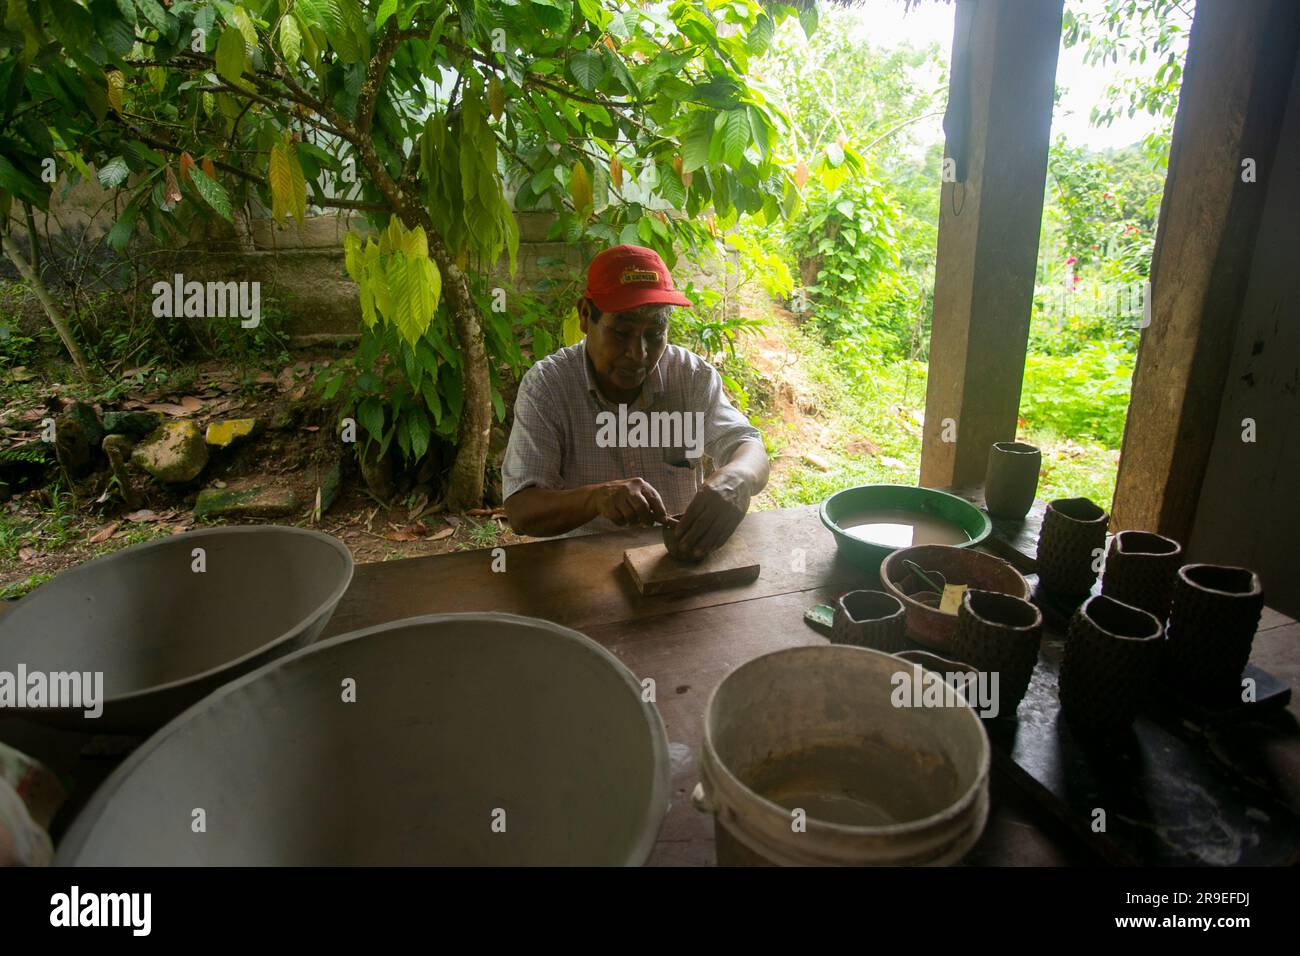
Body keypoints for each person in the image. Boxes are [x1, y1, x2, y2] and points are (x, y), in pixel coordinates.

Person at [503, 244, 769, 559]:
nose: (639, 354)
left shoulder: (691, 377)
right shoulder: (548, 387)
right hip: (583, 569)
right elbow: (521, 510)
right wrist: (597, 499)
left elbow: (749, 445)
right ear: (586, 316)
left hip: (675, 562)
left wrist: (738, 476)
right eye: (621, 333)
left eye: (655, 333)